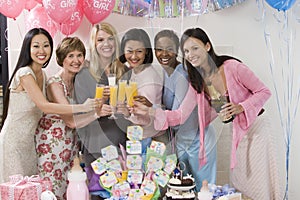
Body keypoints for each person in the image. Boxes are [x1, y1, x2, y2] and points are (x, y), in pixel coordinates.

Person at [132, 27, 284, 200]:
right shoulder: (198, 82)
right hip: (238, 131)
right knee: (240, 181)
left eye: (195, 48)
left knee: (258, 181)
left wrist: (240, 107)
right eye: (187, 51)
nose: (190, 54)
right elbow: (181, 114)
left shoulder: (232, 67)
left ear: (207, 46)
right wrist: (151, 111)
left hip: (257, 127)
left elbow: (264, 92)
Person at [0, 28, 98, 184]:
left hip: (31, 142)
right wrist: (83, 107)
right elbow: (45, 106)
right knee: (16, 190)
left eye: (46, 45)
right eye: (36, 46)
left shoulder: (43, 75)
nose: (42, 50)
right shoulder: (24, 73)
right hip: (15, 142)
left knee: (31, 191)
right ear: (28, 48)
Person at [35, 37, 102, 200]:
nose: (76, 60)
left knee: (72, 189)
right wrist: (97, 113)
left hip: (70, 144)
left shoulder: (77, 82)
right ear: (62, 58)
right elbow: (70, 121)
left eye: (79, 55)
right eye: (70, 56)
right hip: (52, 146)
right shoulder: (54, 83)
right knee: (53, 190)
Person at [154, 29, 216, 191]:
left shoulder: (182, 74)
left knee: (204, 189)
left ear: (177, 51)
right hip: (182, 141)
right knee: (184, 190)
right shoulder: (166, 73)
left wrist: (150, 111)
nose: (164, 53)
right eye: (159, 49)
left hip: (197, 141)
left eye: (169, 48)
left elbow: (177, 117)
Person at [74, 22, 130, 200]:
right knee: (99, 192)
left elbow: (132, 111)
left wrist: (127, 110)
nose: (106, 44)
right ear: (94, 44)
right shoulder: (84, 73)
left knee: (123, 192)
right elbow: (79, 114)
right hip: (96, 143)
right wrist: (98, 108)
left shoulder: (125, 71)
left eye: (110, 39)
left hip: (121, 142)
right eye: (100, 40)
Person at [119, 28, 164, 155]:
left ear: (146, 52)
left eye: (139, 51)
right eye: (129, 51)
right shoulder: (136, 70)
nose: (133, 56)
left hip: (149, 139)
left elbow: (144, 117)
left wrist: (126, 113)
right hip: (140, 136)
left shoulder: (149, 79)